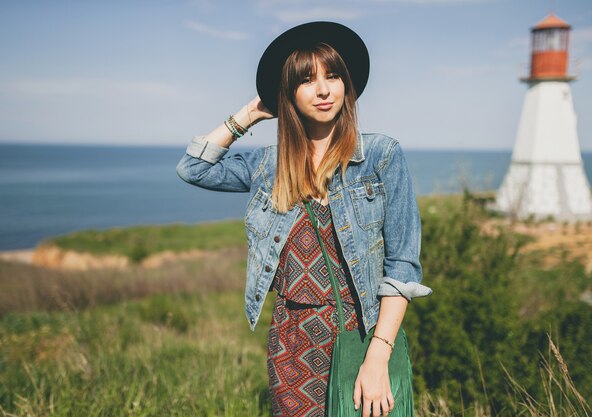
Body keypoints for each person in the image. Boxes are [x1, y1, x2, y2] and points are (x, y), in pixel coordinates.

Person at [176, 21, 432, 417]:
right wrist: (250, 113)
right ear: (289, 94)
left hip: (361, 333)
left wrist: (378, 359)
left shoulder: (381, 156)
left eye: (333, 76)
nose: (324, 89)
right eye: (307, 80)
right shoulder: (268, 166)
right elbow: (193, 168)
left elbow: (403, 266)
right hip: (291, 344)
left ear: (347, 85)